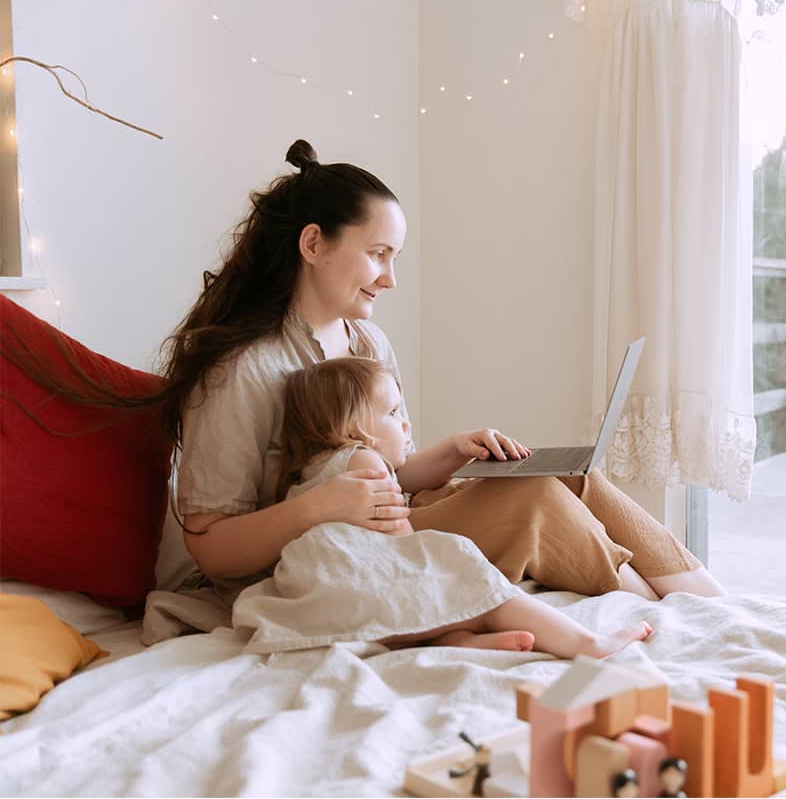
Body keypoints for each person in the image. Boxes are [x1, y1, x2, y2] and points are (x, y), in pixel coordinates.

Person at [166, 138, 725, 602]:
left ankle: (705, 598)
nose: (390, 279)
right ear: (313, 243)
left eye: (395, 259)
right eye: (378, 254)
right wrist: (315, 508)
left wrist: (454, 452)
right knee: (530, 503)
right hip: (325, 559)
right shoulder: (242, 369)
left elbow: (384, 478)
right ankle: (657, 612)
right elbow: (210, 546)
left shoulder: (368, 341)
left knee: (571, 475)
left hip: (391, 523)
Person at [265, 355, 651, 658]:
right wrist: (442, 569)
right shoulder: (364, 461)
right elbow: (403, 544)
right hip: (357, 577)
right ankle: (585, 643)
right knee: (470, 575)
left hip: (326, 587)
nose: (405, 425)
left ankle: (455, 637)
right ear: (353, 432)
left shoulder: (308, 472)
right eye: (393, 413)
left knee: (452, 589)